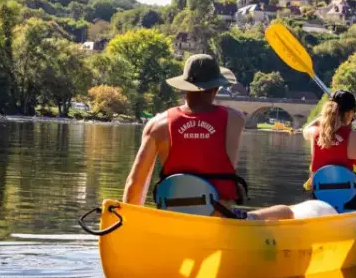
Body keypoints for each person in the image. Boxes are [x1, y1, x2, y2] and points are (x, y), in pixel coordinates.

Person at [122, 54, 299, 220]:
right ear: (215, 89)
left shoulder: (157, 124)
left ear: (184, 88)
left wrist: (131, 225)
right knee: (285, 211)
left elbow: (135, 184)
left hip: (174, 219)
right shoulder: (235, 119)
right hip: (220, 218)